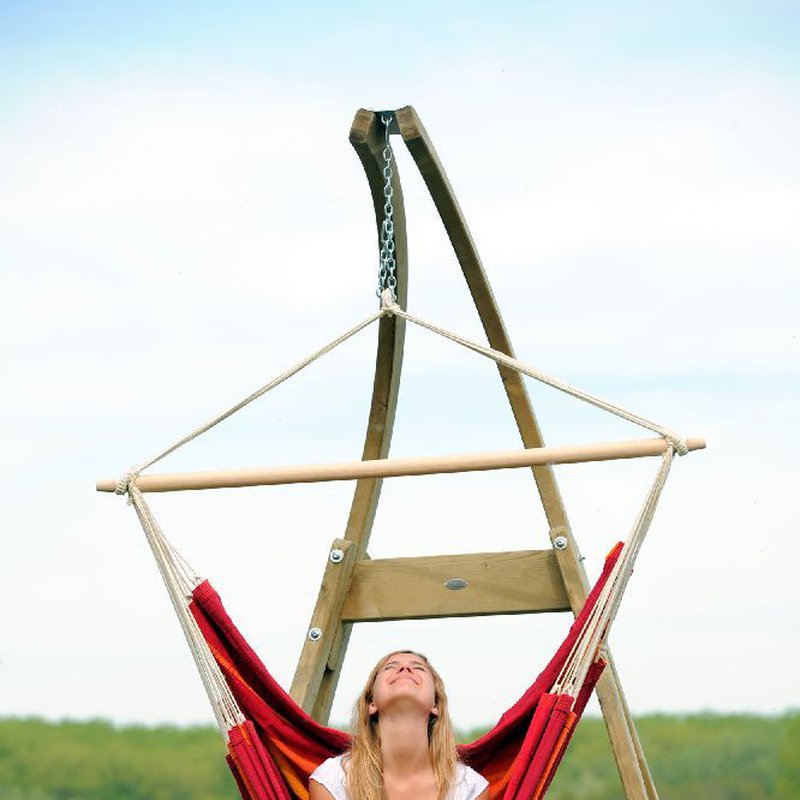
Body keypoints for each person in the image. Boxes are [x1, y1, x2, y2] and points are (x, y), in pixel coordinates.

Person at [309, 650, 489, 800]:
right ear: (371, 703)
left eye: (418, 668)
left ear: (436, 705)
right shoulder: (334, 781)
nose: (405, 668)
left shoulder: (469, 789)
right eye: (390, 667)